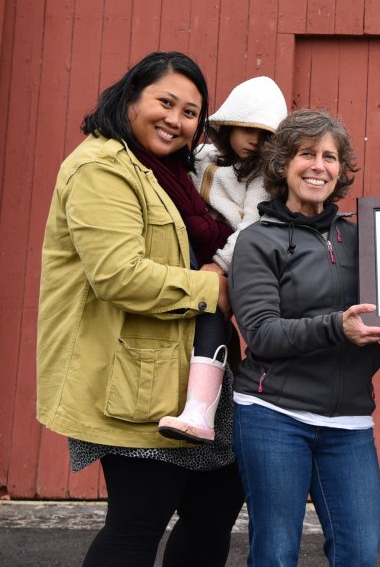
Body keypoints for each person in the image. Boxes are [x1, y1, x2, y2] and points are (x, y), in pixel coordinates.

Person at [36, 51, 244, 566]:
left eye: (191, 112)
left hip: (199, 370)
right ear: (131, 97)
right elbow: (117, 275)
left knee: (213, 512)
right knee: (138, 524)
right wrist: (209, 287)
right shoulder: (101, 168)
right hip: (134, 377)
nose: (176, 120)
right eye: (165, 102)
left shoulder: (180, 175)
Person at [229, 110, 380, 567]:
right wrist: (335, 326)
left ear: (341, 170)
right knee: (276, 554)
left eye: (329, 156)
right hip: (273, 415)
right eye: (307, 154)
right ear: (284, 164)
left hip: (349, 421)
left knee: (359, 555)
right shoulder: (257, 241)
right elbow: (261, 333)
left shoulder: (359, 236)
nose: (318, 165)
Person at [159, 75, 287, 444]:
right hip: (186, 254)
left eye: (266, 135)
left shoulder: (263, 176)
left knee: (213, 309)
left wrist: (220, 265)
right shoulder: (200, 158)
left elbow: (251, 225)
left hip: (232, 260)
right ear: (228, 124)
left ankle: (200, 413)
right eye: (247, 129)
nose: (255, 141)